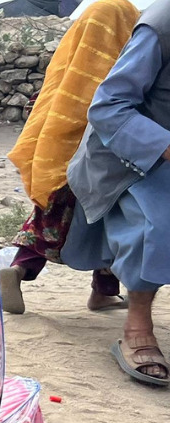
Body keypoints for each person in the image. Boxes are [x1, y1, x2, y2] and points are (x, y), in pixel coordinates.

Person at [1, 0, 140, 315]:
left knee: (53, 217)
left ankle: (99, 290)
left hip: (54, 151)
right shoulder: (118, 66)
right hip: (90, 157)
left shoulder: (71, 57)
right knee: (106, 218)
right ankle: (25, 271)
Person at [63, 0, 170, 386]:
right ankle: (137, 326)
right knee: (159, 224)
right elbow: (108, 107)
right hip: (130, 155)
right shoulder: (162, 25)